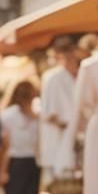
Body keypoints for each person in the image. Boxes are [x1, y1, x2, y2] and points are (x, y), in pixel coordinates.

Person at [38, 36, 80, 179]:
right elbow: (49, 113)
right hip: (59, 139)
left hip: (75, 138)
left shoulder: (78, 76)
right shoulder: (52, 78)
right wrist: (68, 126)